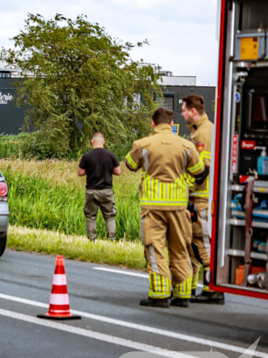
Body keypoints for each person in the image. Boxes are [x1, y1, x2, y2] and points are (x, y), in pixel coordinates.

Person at [124, 108, 207, 308]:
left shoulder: (142, 144)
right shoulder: (186, 145)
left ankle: (160, 294)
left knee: (155, 247)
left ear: (153, 124)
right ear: (171, 124)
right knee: (180, 248)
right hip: (179, 206)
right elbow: (199, 171)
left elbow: (130, 164)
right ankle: (183, 294)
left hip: (153, 206)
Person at [181, 94, 221, 304]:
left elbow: (203, 169)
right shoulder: (200, 131)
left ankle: (212, 288)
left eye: (184, 110)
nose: (182, 114)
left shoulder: (203, 134)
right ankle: (209, 286)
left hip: (202, 197)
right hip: (202, 196)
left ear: (193, 111)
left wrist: (185, 190)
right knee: (200, 241)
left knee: (202, 241)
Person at [78, 132, 121, 241]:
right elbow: (118, 171)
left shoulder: (87, 156)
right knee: (109, 216)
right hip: (106, 190)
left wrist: (91, 171)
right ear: (104, 142)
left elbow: (80, 172)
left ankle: (92, 240)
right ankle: (111, 239)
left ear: (92, 142)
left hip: (91, 190)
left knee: (91, 217)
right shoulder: (110, 155)